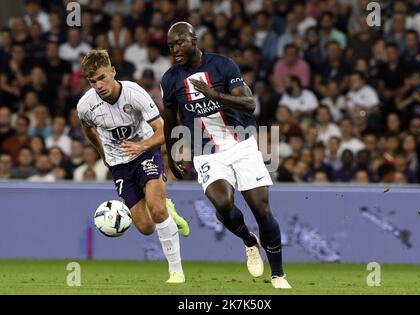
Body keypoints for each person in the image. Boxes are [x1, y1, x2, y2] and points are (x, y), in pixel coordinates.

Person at [161, 22, 291, 289]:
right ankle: (248, 240)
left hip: (241, 144)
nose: (175, 49)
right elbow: (171, 121)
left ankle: (278, 274)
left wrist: (214, 95)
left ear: (194, 40)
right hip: (206, 151)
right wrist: (172, 154)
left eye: (180, 43)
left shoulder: (222, 65)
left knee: (262, 211)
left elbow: (249, 104)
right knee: (222, 203)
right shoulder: (170, 79)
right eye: (171, 45)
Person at [76, 49, 189, 283]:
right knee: (147, 227)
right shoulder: (85, 106)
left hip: (145, 153)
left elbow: (164, 131)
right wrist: (102, 154)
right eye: (92, 81)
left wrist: (143, 146)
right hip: (119, 164)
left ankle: (176, 271)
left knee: (156, 210)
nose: (98, 85)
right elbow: (87, 128)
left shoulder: (134, 93)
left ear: (113, 72)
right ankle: (168, 206)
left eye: (102, 78)